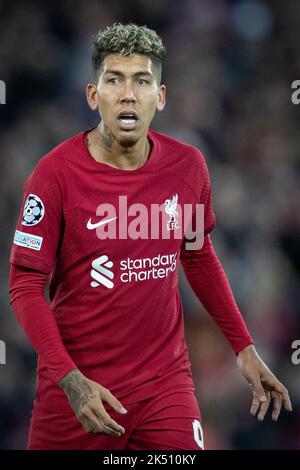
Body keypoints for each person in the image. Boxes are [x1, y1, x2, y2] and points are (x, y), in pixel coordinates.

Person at [9, 23, 292, 450]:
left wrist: (244, 347)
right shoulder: (54, 176)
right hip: (80, 393)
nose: (128, 94)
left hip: (166, 388)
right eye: (114, 80)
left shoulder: (188, 167)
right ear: (92, 95)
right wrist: (69, 378)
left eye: (142, 81)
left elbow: (197, 256)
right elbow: (26, 284)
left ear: (159, 98)